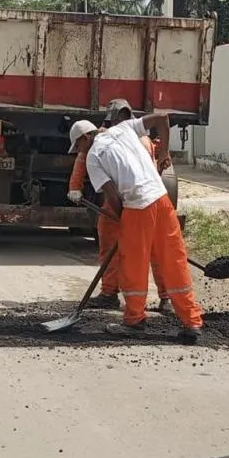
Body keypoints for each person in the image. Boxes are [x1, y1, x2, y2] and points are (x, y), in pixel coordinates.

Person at [73, 108, 203, 343]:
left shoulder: (93, 157)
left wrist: (125, 220)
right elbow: (163, 117)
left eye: (78, 147)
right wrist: (164, 151)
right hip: (162, 201)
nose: (79, 152)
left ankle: (134, 321)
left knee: (133, 264)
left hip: (137, 206)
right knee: (173, 261)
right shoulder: (124, 128)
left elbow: (113, 197)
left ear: (85, 139)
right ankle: (192, 322)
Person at [67, 105, 171, 314]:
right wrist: (75, 187)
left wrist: (125, 217)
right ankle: (118, 293)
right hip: (152, 197)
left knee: (145, 250)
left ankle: (140, 303)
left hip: (133, 200)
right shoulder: (133, 135)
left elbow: (88, 164)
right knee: (124, 239)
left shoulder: (100, 146)